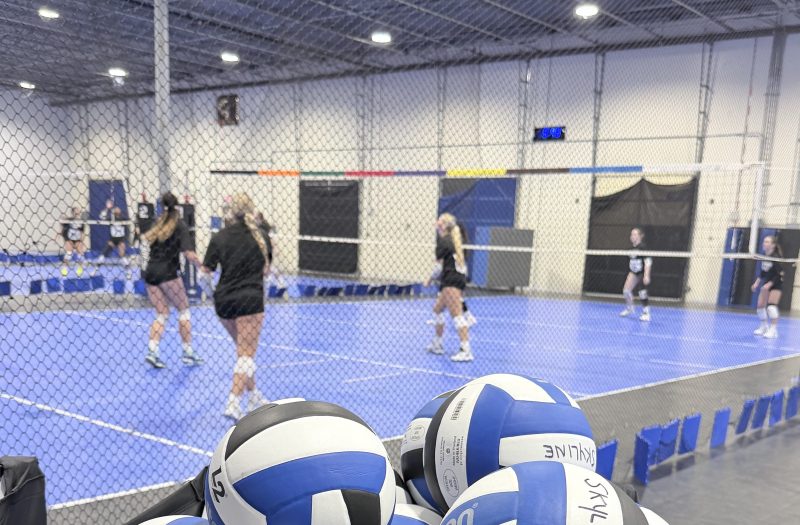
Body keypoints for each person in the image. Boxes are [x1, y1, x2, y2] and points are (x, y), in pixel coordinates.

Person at [202, 193, 272, 420]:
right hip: (250, 301)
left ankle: (253, 395)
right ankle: (233, 402)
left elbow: (204, 274)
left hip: (224, 302)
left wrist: (211, 295)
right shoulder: (261, 237)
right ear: (252, 211)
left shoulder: (219, 237)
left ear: (231, 212)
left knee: (243, 353)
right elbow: (267, 272)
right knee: (247, 354)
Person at [142, 192, 203, 369]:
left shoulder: (157, 223)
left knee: (162, 314)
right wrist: (203, 267)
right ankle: (187, 352)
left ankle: (152, 351)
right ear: (177, 207)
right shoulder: (180, 225)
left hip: (151, 273)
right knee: (184, 310)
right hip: (168, 273)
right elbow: (188, 253)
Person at [424, 213, 473, 362]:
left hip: (451, 280)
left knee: (456, 314)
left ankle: (465, 349)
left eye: (439, 221)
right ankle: (437, 344)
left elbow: (438, 266)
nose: (436, 223)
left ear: (444, 225)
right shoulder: (455, 240)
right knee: (437, 309)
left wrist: (429, 279)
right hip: (455, 278)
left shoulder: (444, 242)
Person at [752, 235, 784, 339]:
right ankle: (764, 327)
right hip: (766, 283)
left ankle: (773, 330)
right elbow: (763, 271)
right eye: (764, 241)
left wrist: (769, 284)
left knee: (771, 307)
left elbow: (779, 274)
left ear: (773, 245)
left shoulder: (776, 257)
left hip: (776, 284)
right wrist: (757, 283)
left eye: (767, 242)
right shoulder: (764, 255)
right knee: (760, 306)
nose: (764, 243)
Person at [620, 227, 653, 322]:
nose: (632, 236)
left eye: (635, 234)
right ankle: (630, 308)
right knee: (626, 291)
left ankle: (646, 313)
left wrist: (646, 275)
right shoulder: (630, 248)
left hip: (642, 272)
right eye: (631, 234)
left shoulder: (643, 248)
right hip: (634, 272)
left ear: (640, 236)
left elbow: (648, 262)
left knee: (642, 292)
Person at [97, 206, 130, 276]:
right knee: (104, 252)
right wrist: (107, 208)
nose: (117, 209)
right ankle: (96, 269)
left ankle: (128, 272)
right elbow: (101, 217)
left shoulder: (123, 218)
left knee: (122, 255)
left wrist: (124, 240)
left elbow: (130, 221)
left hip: (120, 240)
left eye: (118, 208)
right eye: (116, 209)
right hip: (112, 240)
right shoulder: (111, 218)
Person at [58, 206, 87, 277]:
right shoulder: (69, 220)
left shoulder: (81, 221)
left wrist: (82, 241)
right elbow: (61, 224)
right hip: (69, 239)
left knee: (80, 256)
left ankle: (79, 270)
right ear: (73, 212)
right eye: (76, 210)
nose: (78, 212)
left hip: (78, 240)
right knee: (68, 254)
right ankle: (64, 270)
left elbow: (82, 232)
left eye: (78, 210)